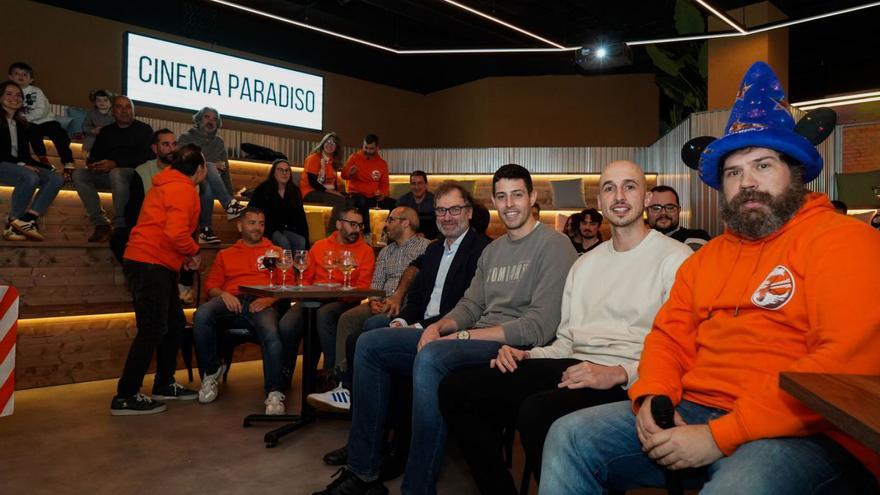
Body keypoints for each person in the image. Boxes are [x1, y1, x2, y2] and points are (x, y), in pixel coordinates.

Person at [539, 62, 880, 495]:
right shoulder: (709, 257)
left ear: (794, 172)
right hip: (698, 408)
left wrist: (720, 436)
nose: (747, 183)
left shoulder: (843, 240)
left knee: (740, 486)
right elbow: (668, 336)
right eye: (734, 172)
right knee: (568, 435)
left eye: (762, 165)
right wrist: (652, 395)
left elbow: (840, 367)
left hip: (813, 431)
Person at [312, 164, 578, 495]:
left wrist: (461, 336)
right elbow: (469, 306)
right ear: (493, 201)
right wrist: (437, 327)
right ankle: (363, 470)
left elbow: (539, 326)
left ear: (533, 197)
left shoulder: (554, 245)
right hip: (471, 338)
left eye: (517, 195)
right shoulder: (493, 251)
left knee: (432, 356)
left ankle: (417, 487)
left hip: (511, 346)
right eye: (501, 196)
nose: (509, 204)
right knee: (370, 344)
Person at [439, 161, 692, 494]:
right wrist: (529, 355)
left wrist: (618, 372)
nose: (618, 196)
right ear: (599, 203)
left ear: (646, 198)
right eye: (609, 188)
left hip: (632, 375)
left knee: (537, 412)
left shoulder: (677, 259)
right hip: (575, 365)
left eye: (629, 186)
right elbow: (567, 341)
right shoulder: (584, 264)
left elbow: (683, 351)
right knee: (457, 389)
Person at [319, 182, 493, 476]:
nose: (447, 216)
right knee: (362, 337)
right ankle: (368, 444)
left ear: (469, 212)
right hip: (418, 325)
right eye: (441, 210)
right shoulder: (435, 249)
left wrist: (414, 325)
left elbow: (465, 310)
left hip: (447, 335)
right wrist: (400, 321)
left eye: (455, 209)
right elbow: (418, 298)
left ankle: (366, 460)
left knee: (368, 343)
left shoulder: (483, 250)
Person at [110, 143, 206, 415]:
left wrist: (184, 254)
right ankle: (126, 394)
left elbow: (166, 231)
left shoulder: (165, 184)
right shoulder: (183, 190)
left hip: (152, 262)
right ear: (199, 170)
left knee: (174, 324)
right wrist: (194, 251)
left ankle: (164, 382)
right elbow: (176, 233)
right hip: (150, 264)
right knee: (152, 329)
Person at [306, 206, 429, 412]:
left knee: (371, 324)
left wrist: (398, 301)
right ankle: (341, 379)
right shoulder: (386, 251)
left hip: (407, 306)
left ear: (405, 223)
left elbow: (424, 285)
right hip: (380, 303)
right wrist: (373, 300)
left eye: (390, 219)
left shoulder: (425, 248)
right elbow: (376, 283)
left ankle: (353, 384)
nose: (385, 224)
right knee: (347, 318)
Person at [194, 207, 289, 414]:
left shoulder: (276, 252)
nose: (258, 228)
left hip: (261, 303)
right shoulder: (225, 254)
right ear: (240, 226)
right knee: (201, 315)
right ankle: (211, 373)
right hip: (231, 300)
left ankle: (274, 392)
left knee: (271, 333)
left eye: (261, 223)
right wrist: (223, 295)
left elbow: (288, 284)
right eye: (252, 223)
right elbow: (211, 286)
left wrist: (268, 300)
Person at [278, 208, 375, 383]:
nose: (357, 229)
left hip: (345, 301)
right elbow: (306, 279)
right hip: (314, 298)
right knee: (287, 325)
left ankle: (332, 374)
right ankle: (283, 376)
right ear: (339, 224)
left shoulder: (366, 251)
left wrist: (340, 294)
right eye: (352, 224)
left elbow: (363, 287)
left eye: (360, 225)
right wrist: (311, 293)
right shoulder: (320, 246)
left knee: (324, 314)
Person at [73, 95, 153, 243]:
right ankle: (101, 223)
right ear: (113, 112)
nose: (124, 110)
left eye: (128, 107)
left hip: (134, 176)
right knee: (78, 175)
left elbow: (147, 157)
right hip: (108, 174)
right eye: (119, 107)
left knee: (117, 173)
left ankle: (120, 225)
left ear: (134, 111)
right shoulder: (106, 132)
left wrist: (115, 163)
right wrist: (94, 164)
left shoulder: (144, 130)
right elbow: (96, 155)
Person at [0, 80, 63, 241]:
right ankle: (12, 221)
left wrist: (46, 167)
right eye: (9, 94)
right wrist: (22, 165)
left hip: (15, 165)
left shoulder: (22, 124)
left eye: (18, 95)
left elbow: (24, 156)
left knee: (55, 178)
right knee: (30, 176)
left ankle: (27, 219)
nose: (14, 98)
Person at [177, 107, 245, 244]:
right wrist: (211, 165)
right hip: (187, 180)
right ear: (199, 120)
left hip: (208, 184)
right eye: (207, 117)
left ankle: (205, 231)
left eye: (214, 119)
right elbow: (181, 162)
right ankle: (228, 205)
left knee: (207, 187)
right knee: (209, 165)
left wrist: (231, 194)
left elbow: (225, 171)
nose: (211, 121)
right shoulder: (186, 138)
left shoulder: (219, 142)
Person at [109, 128, 177, 263]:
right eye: (166, 144)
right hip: (150, 227)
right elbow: (134, 210)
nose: (172, 149)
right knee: (119, 237)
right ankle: (139, 275)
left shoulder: (186, 171)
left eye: (174, 144)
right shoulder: (143, 171)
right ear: (155, 148)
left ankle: (182, 282)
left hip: (175, 228)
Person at [7, 63, 75, 176]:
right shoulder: (9, 94)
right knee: (31, 133)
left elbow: (42, 109)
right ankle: (41, 157)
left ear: (31, 79)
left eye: (25, 74)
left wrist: (26, 119)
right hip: (29, 124)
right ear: (10, 77)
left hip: (46, 120)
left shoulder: (36, 91)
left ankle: (68, 160)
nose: (21, 76)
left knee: (60, 134)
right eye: (17, 74)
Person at [247, 159, 310, 251]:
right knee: (283, 241)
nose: (284, 173)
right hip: (268, 229)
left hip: (288, 229)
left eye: (287, 170)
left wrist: (306, 239)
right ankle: (284, 265)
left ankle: (297, 265)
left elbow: (301, 217)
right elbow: (252, 210)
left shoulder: (295, 191)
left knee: (301, 241)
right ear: (273, 172)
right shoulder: (263, 189)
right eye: (280, 170)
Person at [342, 134, 396, 237]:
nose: (367, 151)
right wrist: (350, 172)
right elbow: (344, 175)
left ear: (377, 148)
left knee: (394, 204)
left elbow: (384, 184)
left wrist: (382, 194)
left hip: (374, 196)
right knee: (362, 201)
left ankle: (387, 233)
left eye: (371, 149)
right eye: (365, 147)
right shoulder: (354, 158)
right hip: (356, 195)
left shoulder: (382, 163)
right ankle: (366, 233)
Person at [647, 185, 711, 251]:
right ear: (646, 211)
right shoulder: (639, 240)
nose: (663, 213)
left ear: (679, 210)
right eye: (656, 208)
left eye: (670, 208)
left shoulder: (697, 236)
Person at [300, 132, 348, 212]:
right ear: (323, 143)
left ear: (336, 147)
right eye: (328, 141)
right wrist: (334, 193)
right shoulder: (314, 158)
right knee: (340, 201)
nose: (330, 144)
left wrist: (338, 193)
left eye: (333, 143)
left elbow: (333, 184)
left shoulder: (333, 162)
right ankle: (335, 224)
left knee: (350, 200)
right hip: (310, 192)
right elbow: (313, 183)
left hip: (325, 192)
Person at [396, 170, 438, 239]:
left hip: (431, 240)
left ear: (426, 184)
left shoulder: (435, 201)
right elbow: (396, 225)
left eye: (420, 183)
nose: (417, 187)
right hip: (407, 240)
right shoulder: (402, 202)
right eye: (413, 183)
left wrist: (426, 235)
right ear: (410, 185)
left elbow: (440, 225)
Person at [81, 89, 115, 159]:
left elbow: (116, 127)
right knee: (90, 138)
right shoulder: (92, 113)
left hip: (108, 137)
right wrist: (93, 130)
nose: (101, 102)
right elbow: (85, 126)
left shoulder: (114, 115)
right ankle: (88, 156)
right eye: (98, 100)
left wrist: (105, 130)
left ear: (111, 102)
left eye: (105, 100)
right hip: (93, 136)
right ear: (95, 102)